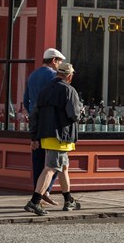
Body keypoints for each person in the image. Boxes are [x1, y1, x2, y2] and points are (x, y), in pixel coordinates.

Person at [24, 62, 83, 216]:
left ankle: (68, 199)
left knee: (63, 167)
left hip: (46, 134)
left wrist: (34, 136)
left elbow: (34, 115)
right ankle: (34, 202)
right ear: (69, 76)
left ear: (58, 73)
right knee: (51, 168)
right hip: (61, 135)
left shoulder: (44, 91)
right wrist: (80, 109)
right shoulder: (69, 90)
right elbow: (74, 114)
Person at [23, 48, 65, 206]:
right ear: (54, 60)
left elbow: (26, 99)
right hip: (50, 122)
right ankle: (45, 191)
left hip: (36, 121)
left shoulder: (32, 76)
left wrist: (33, 114)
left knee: (38, 158)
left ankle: (37, 192)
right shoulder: (54, 76)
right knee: (56, 158)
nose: (59, 65)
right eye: (59, 62)